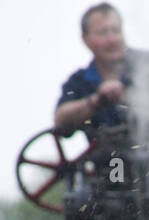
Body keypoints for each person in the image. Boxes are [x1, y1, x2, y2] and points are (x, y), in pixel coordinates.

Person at [55, 3, 129, 131]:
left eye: (116, 31)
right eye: (103, 33)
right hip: (104, 150)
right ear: (85, 39)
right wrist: (97, 100)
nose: (112, 39)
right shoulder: (79, 82)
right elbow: (61, 120)